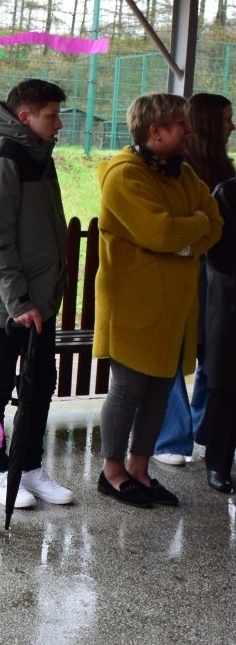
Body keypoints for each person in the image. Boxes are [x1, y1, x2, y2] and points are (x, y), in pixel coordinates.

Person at [93, 93, 222, 508]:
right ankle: (112, 472)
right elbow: (158, 232)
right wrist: (189, 236)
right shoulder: (124, 175)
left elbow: (215, 222)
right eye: (180, 124)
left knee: (158, 391)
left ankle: (140, 469)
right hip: (134, 305)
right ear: (156, 131)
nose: (188, 131)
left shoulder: (183, 175)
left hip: (173, 309)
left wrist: (184, 237)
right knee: (129, 389)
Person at [0, 79, 75, 510]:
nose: (59, 124)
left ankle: (29, 464)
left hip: (40, 301)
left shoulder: (40, 158)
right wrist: (19, 303)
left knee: (39, 384)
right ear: (26, 118)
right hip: (10, 306)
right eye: (52, 116)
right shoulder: (7, 162)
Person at [153, 93, 235, 465]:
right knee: (172, 348)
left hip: (218, 277)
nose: (232, 127)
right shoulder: (178, 170)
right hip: (183, 271)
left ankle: (204, 427)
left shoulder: (227, 172)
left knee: (213, 349)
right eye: (225, 120)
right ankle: (171, 437)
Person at [200, 175, 236, 492]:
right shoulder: (228, 194)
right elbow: (220, 255)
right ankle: (218, 464)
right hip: (231, 305)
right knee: (225, 388)